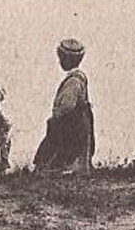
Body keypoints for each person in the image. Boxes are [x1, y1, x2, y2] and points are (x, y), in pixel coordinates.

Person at [32, 38, 94, 173]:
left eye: (61, 58)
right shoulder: (78, 79)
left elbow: (67, 105)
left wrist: (56, 116)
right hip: (77, 123)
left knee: (60, 150)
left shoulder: (73, 81)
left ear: (67, 59)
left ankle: (61, 169)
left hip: (70, 124)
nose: (60, 61)